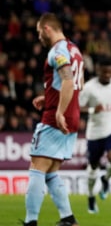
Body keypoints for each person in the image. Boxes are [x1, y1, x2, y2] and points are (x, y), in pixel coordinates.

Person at [24, 13, 84, 226]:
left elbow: (67, 81)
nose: (39, 36)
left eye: (39, 31)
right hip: (74, 115)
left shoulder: (57, 50)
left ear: (47, 28)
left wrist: (58, 110)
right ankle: (68, 218)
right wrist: (49, 94)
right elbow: (79, 84)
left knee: (37, 167)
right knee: (51, 171)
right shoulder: (74, 50)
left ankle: (31, 221)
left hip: (56, 117)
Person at [79, 57, 111, 214]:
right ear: (98, 71)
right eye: (104, 72)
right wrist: (93, 110)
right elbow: (78, 107)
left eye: (110, 72)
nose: (107, 74)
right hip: (94, 133)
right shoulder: (89, 88)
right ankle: (91, 197)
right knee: (93, 167)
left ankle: (106, 179)